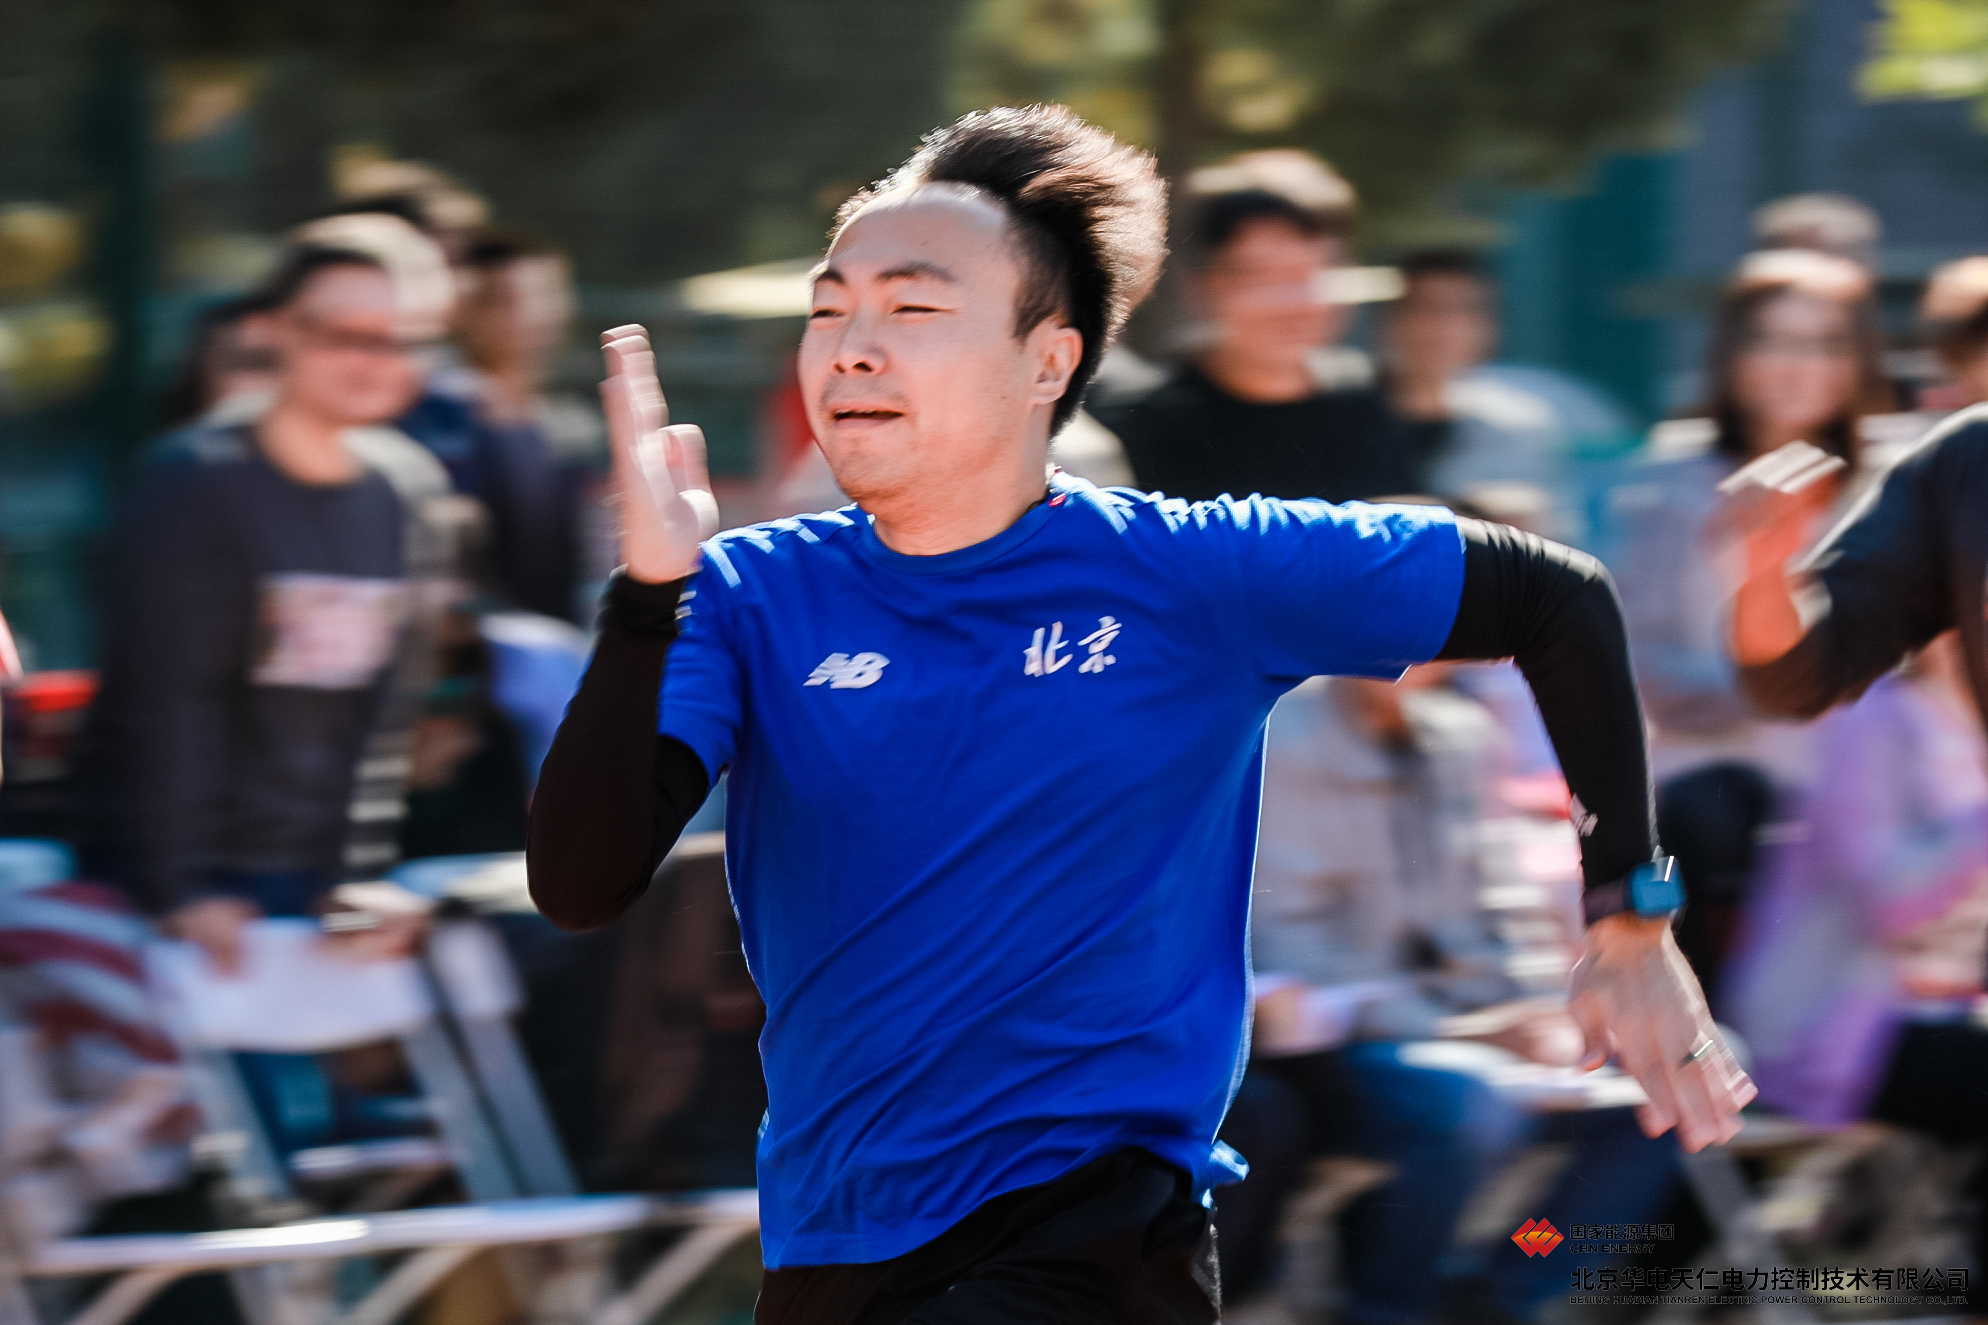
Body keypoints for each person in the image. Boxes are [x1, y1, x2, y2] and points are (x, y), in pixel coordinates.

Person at [526, 106, 1751, 1324]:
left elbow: (1556, 598)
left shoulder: (1195, 572)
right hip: (829, 1239)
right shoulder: (744, 595)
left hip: (1091, 1240)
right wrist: (644, 597)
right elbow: (580, 882)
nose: (850, 348)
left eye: (910, 309)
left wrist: (1627, 916)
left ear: (1046, 362)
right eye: (828, 308)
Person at [1234, 667, 1678, 1325]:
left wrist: (1545, 1012)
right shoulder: (1278, 734)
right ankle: (1387, 1309)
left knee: (1666, 1081)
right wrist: (1471, 1031)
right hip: (1332, 1049)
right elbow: (1287, 958)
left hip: (1468, 1029)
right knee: (1469, 1104)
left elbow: (1502, 909)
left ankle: (1510, 1281)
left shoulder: (1463, 735)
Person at [79, 240, 453, 972]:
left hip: (316, 891)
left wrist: (353, 878)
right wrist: (180, 887)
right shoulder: (194, 482)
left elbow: (384, 715)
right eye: (343, 334)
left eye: (401, 340)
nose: (372, 360)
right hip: (180, 893)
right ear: (275, 331)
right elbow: (167, 705)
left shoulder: (410, 491)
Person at [1610, 249, 1892, 994]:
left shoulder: (1894, 492)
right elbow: (1639, 668)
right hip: (1708, 815)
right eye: (1774, 340)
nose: (1799, 366)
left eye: (1826, 343)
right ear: (1733, 352)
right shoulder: (1665, 487)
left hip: (1871, 818)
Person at [1724, 632, 1988, 1313]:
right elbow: (1889, 902)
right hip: (1824, 1028)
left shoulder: (1960, 722)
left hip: (1925, 1015)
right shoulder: (1870, 719)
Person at [1092, 151, 1425, 503]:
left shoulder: (1378, 408)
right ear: (1199, 283)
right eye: (1258, 275)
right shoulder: (1128, 425)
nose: (1292, 301)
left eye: (1316, 270)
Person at [399, 232, 595, 622]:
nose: (531, 315)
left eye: (545, 296)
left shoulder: (572, 426)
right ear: (463, 309)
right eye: (504, 301)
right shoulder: (430, 412)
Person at [1383, 250, 1636, 545]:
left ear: (1491, 325)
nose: (1443, 326)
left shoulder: (1540, 416)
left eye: (1463, 310)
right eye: (1427, 308)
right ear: (1392, 320)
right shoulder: (1348, 423)